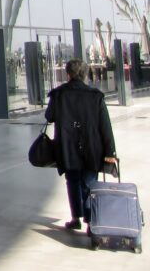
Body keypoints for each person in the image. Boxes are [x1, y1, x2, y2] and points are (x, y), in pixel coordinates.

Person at [45, 59, 118, 231]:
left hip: (68, 147)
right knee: (90, 183)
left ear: (68, 74)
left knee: (72, 181)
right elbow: (105, 125)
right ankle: (91, 221)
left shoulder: (58, 94)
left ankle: (75, 218)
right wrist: (110, 151)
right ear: (85, 75)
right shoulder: (95, 96)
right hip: (92, 147)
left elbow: (49, 116)